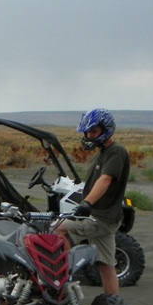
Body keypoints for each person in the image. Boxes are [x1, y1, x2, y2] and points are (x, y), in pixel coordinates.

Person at [55, 108, 130, 295]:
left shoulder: (116, 152)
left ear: (106, 130)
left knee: (59, 229)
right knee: (106, 265)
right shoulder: (102, 153)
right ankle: (113, 303)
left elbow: (105, 180)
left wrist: (86, 203)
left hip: (99, 217)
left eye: (94, 131)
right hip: (105, 218)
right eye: (87, 132)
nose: (89, 135)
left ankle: (62, 281)